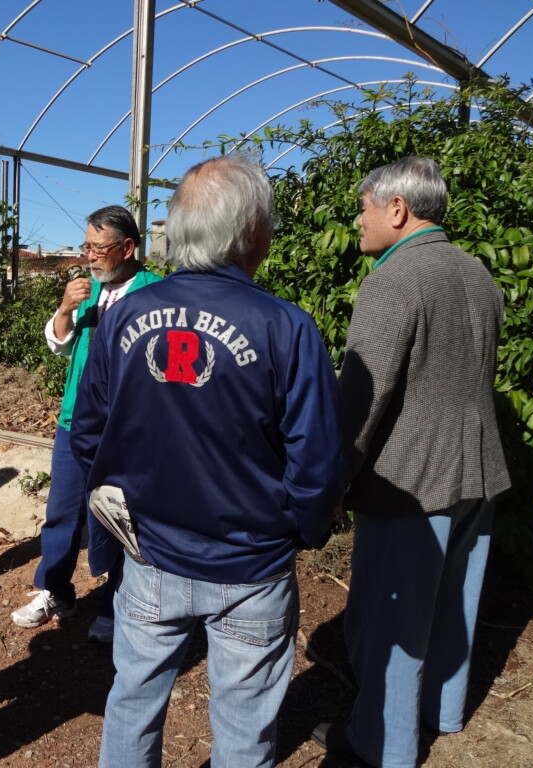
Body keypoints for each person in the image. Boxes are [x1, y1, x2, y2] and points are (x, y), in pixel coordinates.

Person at [70, 153, 343, 768]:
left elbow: (88, 433)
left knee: (133, 700)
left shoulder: (125, 318)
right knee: (246, 725)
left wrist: (119, 515)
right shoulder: (287, 327)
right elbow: (318, 461)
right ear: (250, 231)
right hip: (251, 562)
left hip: (150, 556)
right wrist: (301, 530)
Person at [311, 157, 511, 768]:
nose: (358, 218)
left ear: (397, 208)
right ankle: (442, 713)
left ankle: (382, 745)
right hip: (479, 466)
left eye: (365, 205)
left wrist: (334, 477)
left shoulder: (393, 279)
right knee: (455, 603)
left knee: (389, 623)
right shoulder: (477, 274)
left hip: (410, 480)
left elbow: (360, 399)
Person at [10, 205, 160, 642]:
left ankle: (117, 601)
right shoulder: (89, 290)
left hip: (127, 430)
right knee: (62, 512)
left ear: (127, 247)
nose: (89, 256)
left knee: (120, 518)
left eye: (98, 248)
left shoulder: (155, 293)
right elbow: (59, 343)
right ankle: (56, 591)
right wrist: (64, 308)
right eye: (86, 246)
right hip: (76, 421)